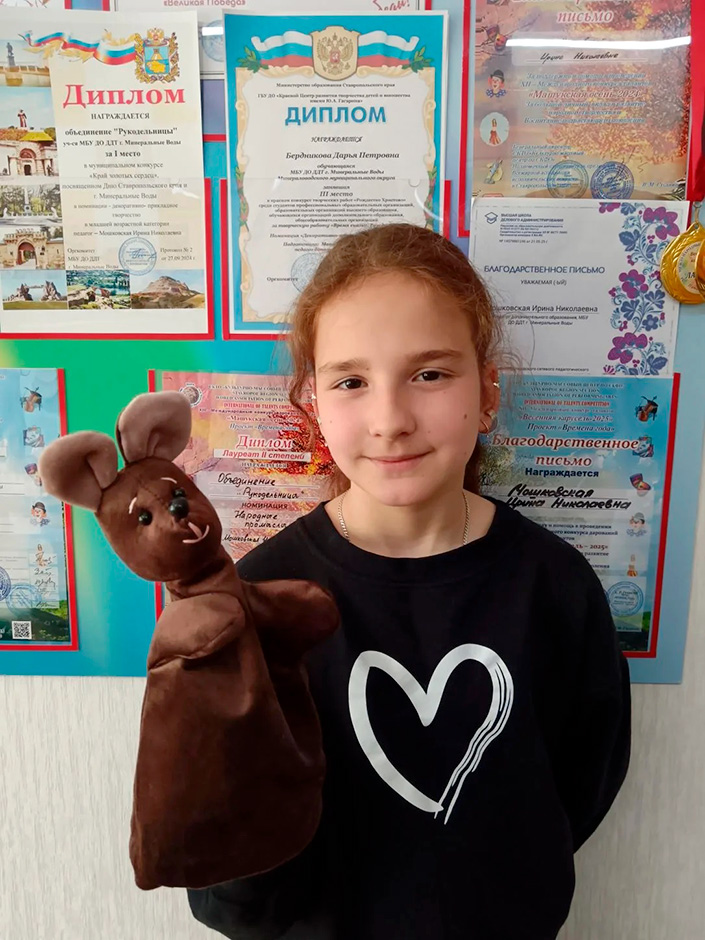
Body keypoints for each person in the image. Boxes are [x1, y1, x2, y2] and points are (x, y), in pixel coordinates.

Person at [188, 224, 631, 940]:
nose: (390, 420)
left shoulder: (554, 586)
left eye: (429, 374)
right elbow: (220, 830)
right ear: (312, 404)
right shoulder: (260, 597)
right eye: (351, 382)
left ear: (487, 392)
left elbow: (581, 780)